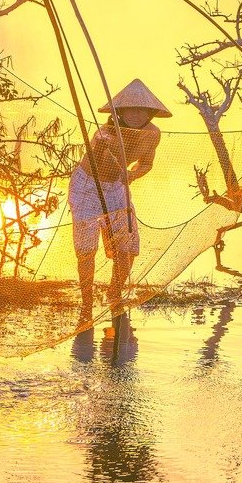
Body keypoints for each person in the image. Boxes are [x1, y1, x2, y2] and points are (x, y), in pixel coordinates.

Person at [69, 79, 168, 319]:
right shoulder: (105, 132)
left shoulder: (152, 134)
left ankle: (114, 293)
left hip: (116, 187)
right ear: (119, 111)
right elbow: (95, 156)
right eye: (130, 109)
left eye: (142, 110)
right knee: (86, 249)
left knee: (128, 247)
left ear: (150, 112)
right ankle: (86, 303)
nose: (136, 115)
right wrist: (102, 146)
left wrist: (132, 175)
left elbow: (147, 163)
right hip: (88, 186)